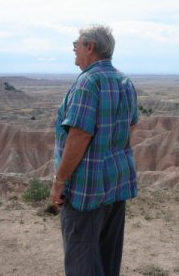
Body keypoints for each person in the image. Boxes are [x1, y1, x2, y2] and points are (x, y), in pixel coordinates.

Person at [50, 24, 139, 276]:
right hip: (116, 182)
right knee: (108, 257)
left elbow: (79, 135)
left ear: (90, 47)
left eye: (75, 45)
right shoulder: (124, 81)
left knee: (82, 260)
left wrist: (59, 182)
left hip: (85, 190)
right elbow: (130, 126)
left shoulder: (87, 82)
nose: (74, 50)